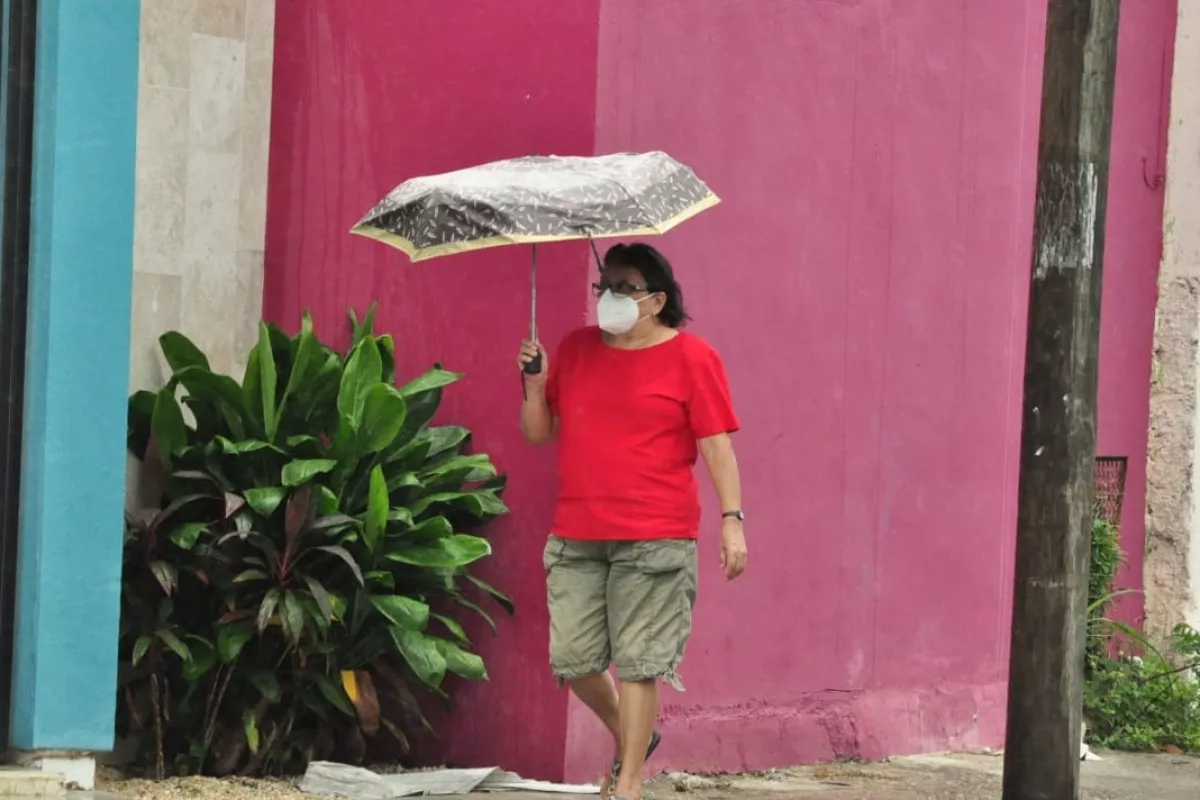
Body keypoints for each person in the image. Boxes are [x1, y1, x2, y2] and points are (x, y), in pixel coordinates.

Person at [516, 242, 747, 800]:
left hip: (655, 534)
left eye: (624, 287)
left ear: (657, 299)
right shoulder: (574, 349)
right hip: (577, 533)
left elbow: (716, 446)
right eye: (604, 287)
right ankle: (632, 738)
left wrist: (732, 519)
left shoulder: (693, 358)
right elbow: (540, 432)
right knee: (572, 659)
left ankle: (630, 784)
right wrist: (532, 384)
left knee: (640, 663)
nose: (610, 298)